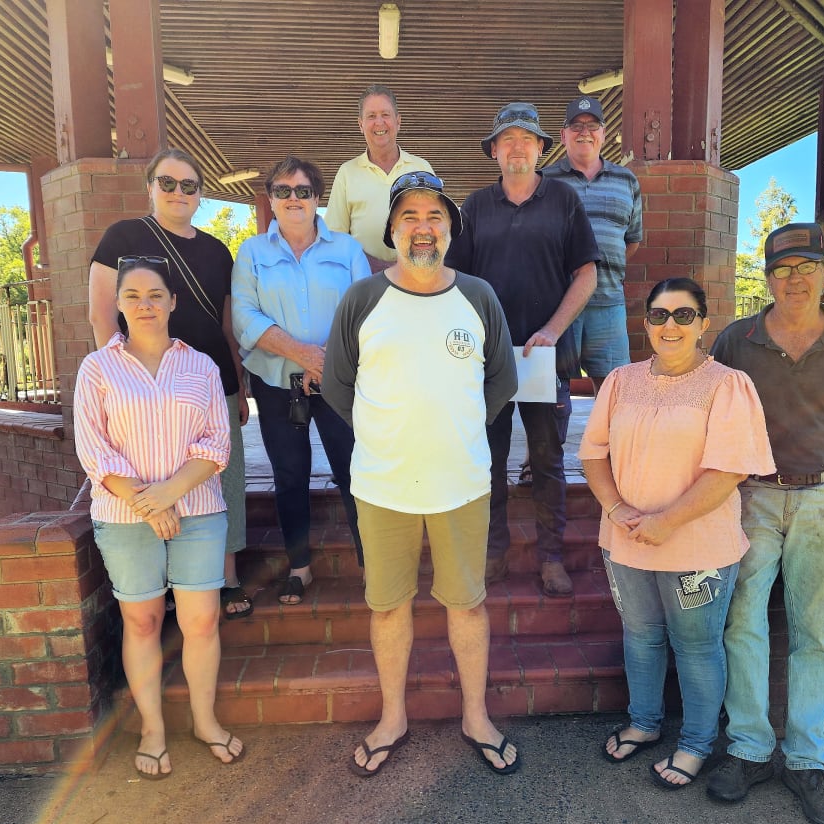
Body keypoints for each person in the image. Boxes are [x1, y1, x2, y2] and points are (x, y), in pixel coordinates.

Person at [323, 171, 520, 776]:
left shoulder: (479, 297)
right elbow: (336, 385)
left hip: (461, 482)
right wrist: (390, 435)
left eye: (435, 216)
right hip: (383, 486)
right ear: (391, 230)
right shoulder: (363, 299)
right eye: (409, 217)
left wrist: (455, 426)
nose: (423, 228)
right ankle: (392, 718)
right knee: (388, 607)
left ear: (450, 229)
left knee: (467, 604)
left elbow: (502, 380)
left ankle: (476, 716)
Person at [707, 222, 824, 824]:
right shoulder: (736, 341)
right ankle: (750, 749)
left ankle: (808, 759)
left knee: (815, 631)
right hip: (752, 497)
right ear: (767, 277)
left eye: (806, 267)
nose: (795, 279)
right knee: (742, 621)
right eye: (782, 269)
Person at [579, 277, 774, 789]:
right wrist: (617, 509)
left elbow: (729, 470)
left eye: (684, 315)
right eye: (660, 315)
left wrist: (667, 521)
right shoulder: (619, 382)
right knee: (641, 637)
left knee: (696, 645)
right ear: (646, 324)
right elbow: (593, 454)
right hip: (626, 539)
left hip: (697, 547)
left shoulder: (727, 385)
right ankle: (644, 724)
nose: (671, 325)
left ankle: (696, 744)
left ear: (703, 324)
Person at [74, 257, 245, 779]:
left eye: (155, 295)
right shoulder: (97, 369)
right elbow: (94, 450)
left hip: (196, 510)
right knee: (143, 620)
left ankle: (204, 719)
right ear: (118, 304)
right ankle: (152, 728)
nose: (144, 305)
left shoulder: (202, 367)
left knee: (200, 621)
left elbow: (217, 444)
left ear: (172, 301)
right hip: (125, 516)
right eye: (132, 296)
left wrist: (169, 495)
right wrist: (148, 503)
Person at [88, 148, 252, 620]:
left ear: (201, 194)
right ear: (150, 187)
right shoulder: (122, 236)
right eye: (168, 183)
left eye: (189, 185)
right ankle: (166, 580)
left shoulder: (218, 250)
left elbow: (226, 326)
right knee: (155, 475)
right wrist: (114, 378)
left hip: (210, 384)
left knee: (223, 478)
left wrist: (239, 385)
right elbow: (102, 314)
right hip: (139, 386)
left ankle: (226, 574)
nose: (178, 193)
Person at [446, 102, 600, 597]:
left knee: (548, 459)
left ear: (540, 149)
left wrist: (554, 330)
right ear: (494, 151)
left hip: (542, 357)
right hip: (486, 360)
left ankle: (551, 556)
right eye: (506, 139)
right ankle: (494, 550)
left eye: (526, 139)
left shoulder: (564, 202)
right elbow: (453, 280)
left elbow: (587, 274)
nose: (516, 147)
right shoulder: (473, 208)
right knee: (486, 459)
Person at [231, 157, 370, 605]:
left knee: (355, 472)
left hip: (339, 383)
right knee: (289, 475)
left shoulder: (347, 249)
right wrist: (303, 354)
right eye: (284, 190)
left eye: (304, 190)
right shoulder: (252, 252)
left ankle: (373, 565)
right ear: (271, 198)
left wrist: (324, 364)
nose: (294, 199)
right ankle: (299, 568)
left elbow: (362, 314)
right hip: (275, 383)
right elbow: (245, 317)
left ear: (317, 198)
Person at [543, 96, 643, 393]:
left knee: (617, 391)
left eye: (592, 125)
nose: (584, 132)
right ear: (563, 135)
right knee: (551, 393)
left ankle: (613, 442)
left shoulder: (627, 180)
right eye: (575, 125)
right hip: (556, 306)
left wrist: (600, 270)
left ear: (603, 133)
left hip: (609, 305)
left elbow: (631, 241)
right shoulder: (544, 181)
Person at [325, 85, 434, 272]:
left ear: (398, 121)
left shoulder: (422, 168)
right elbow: (335, 237)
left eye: (385, 114)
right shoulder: (347, 173)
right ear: (360, 125)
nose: (379, 122)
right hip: (364, 279)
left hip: (416, 276)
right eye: (371, 116)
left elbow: (436, 226)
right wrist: (374, 266)